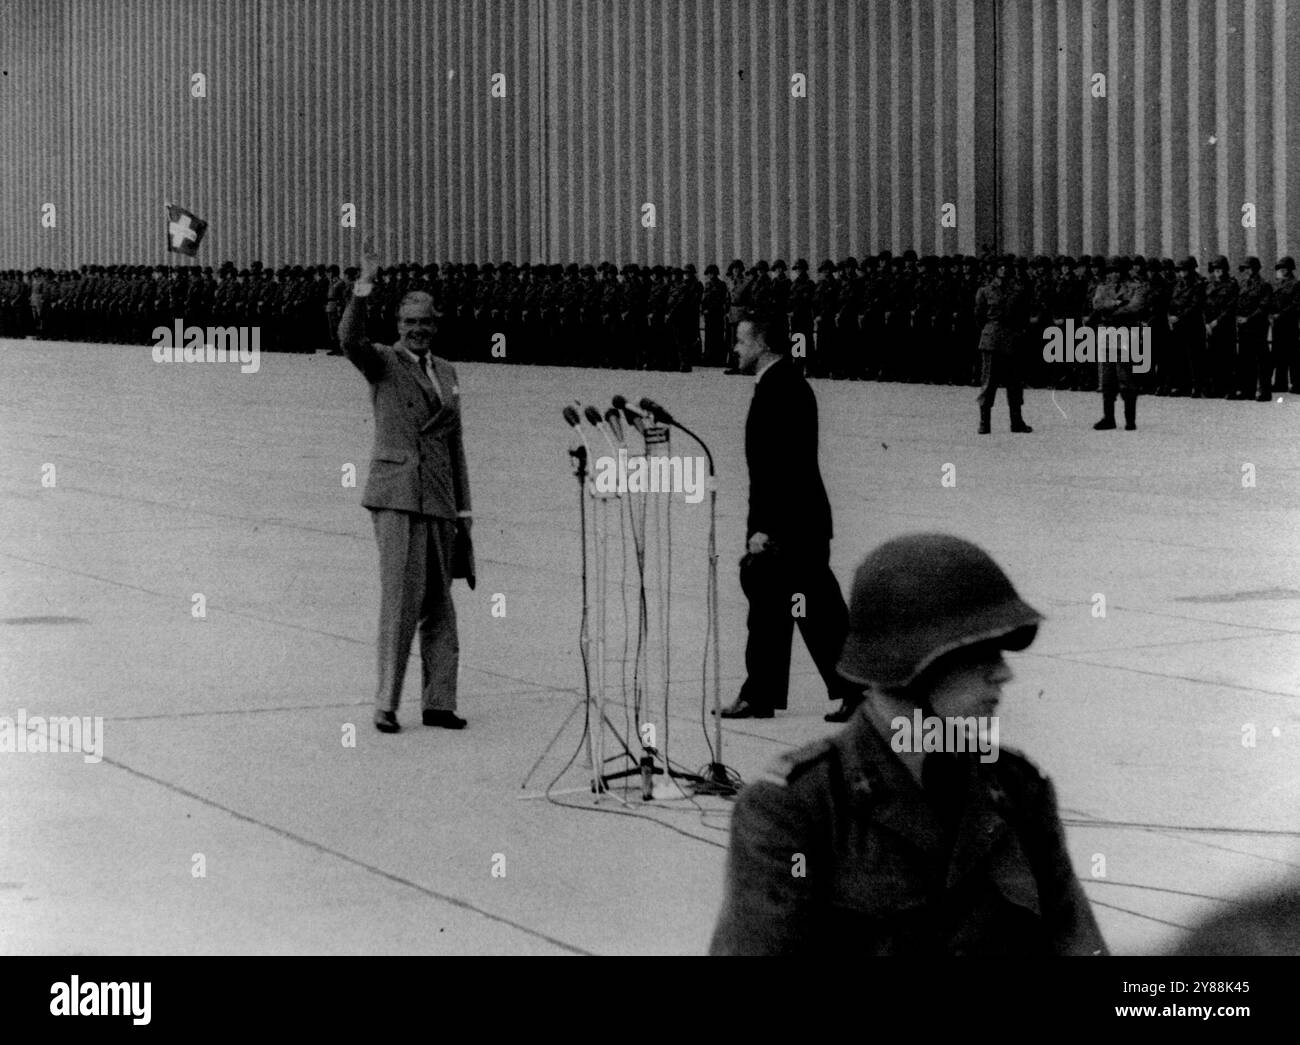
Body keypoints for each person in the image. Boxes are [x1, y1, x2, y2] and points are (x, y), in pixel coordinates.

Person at [710, 533, 1108, 956]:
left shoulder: (1018, 791)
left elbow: (1079, 946)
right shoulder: (798, 810)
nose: (1003, 674)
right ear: (913, 662)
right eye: (982, 654)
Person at [338, 242, 474, 734]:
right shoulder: (382, 362)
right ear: (397, 326)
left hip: (438, 497)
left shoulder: (450, 373)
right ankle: (386, 704)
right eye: (409, 322)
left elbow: (455, 446)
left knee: (440, 604)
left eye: (425, 322)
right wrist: (363, 287)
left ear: (436, 326)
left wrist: (464, 512)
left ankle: (439, 702)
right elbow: (349, 339)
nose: (418, 330)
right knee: (400, 603)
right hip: (396, 495)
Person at [717, 309, 863, 724]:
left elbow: (783, 469)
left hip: (792, 526)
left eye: (742, 342)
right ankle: (762, 694)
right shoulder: (780, 384)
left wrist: (764, 529)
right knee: (773, 609)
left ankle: (855, 690)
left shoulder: (783, 388)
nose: (736, 349)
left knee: (816, 612)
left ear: (762, 344)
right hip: (795, 521)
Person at [974, 255, 1033, 433]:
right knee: (989, 382)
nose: (1004, 270)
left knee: (1015, 383)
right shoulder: (984, 291)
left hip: (1012, 339)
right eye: (1000, 267)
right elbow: (979, 317)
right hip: (992, 340)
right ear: (994, 270)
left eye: (1007, 267)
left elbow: (1024, 315)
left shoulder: (1018, 290)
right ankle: (984, 422)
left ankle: (1016, 421)